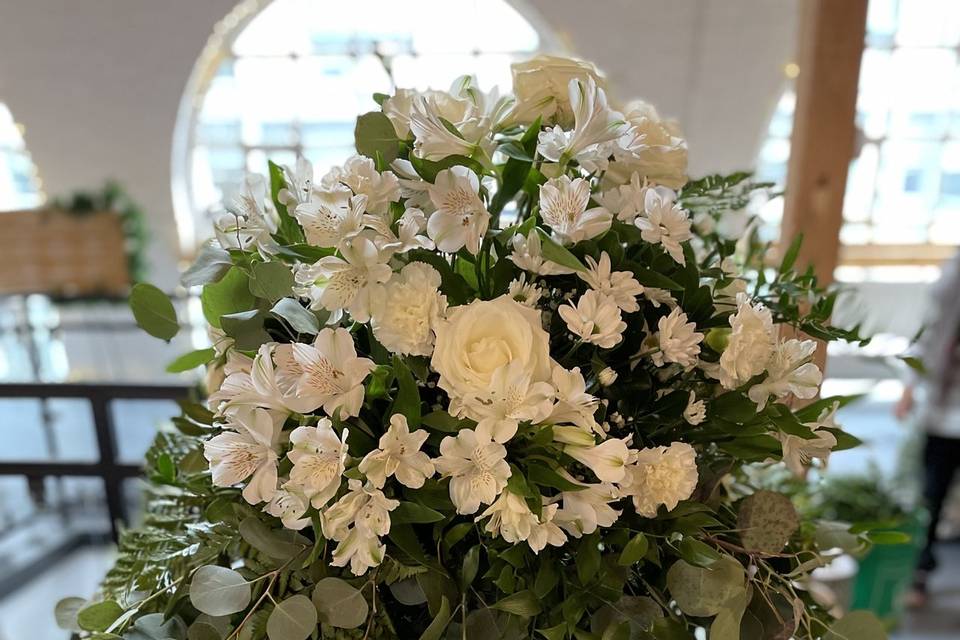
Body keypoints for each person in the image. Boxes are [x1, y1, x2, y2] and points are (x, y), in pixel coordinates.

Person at [895, 250, 960, 608]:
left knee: (933, 493)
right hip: (948, 408)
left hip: (947, 409)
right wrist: (909, 387)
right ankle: (919, 573)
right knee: (932, 494)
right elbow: (933, 332)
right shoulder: (956, 273)